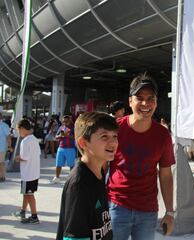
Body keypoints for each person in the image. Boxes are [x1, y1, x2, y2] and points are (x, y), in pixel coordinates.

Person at [107, 73, 175, 239]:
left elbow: (165, 175)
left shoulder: (162, 134)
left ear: (156, 102)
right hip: (116, 207)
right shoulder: (115, 129)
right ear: (130, 101)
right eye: (139, 98)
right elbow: (100, 166)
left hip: (148, 211)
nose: (145, 103)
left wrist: (170, 212)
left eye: (150, 98)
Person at [56, 112, 118, 240]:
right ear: (83, 143)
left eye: (115, 136)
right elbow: (74, 237)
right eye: (104, 137)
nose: (113, 143)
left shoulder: (99, 172)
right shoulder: (79, 184)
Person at [13, 119, 41, 224]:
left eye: (19, 130)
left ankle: (34, 216)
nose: (19, 133)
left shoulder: (25, 141)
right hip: (34, 173)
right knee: (26, 193)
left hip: (27, 174)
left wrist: (17, 158)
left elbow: (25, 157)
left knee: (29, 194)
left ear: (23, 129)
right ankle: (23, 211)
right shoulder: (34, 139)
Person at [51, 115, 77, 183]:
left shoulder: (74, 128)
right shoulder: (61, 127)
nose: (65, 123)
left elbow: (76, 137)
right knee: (58, 164)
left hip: (70, 148)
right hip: (61, 148)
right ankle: (57, 177)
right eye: (63, 122)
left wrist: (67, 136)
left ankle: (71, 179)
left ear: (70, 121)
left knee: (71, 165)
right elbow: (56, 137)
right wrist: (60, 136)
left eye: (66, 121)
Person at [0, 113, 11, 182]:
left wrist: (9, 146)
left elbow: (8, 137)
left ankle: (2, 176)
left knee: (1, 163)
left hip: (1, 148)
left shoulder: (4, 126)